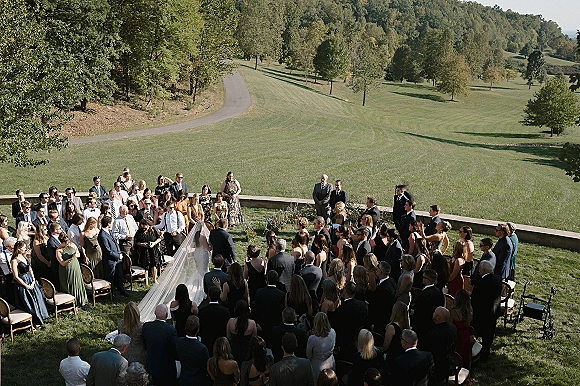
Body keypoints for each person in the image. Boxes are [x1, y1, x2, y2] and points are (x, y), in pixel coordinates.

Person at [470, 260, 502, 362]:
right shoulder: (498, 279)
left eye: (479, 269)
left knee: (475, 331)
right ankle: (485, 354)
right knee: (488, 335)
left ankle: (475, 353)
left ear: (483, 270)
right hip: (493, 312)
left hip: (480, 313)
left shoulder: (481, 284)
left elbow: (474, 300)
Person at [11, 240, 49, 325]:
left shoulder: (24, 257)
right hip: (23, 281)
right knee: (30, 302)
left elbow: (30, 268)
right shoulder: (14, 260)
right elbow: (16, 276)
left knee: (38, 297)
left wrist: (33, 279)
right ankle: (36, 320)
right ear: (19, 249)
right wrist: (26, 285)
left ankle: (42, 315)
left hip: (30, 279)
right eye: (24, 248)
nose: (26, 249)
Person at [329, 283, 367, 361]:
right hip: (357, 339)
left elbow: (334, 325)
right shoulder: (362, 305)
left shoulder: (340, 309)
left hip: (343, 341)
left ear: (345, 291)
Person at [142, 304, 178, 385]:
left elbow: (145, 345)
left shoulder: (146, 326)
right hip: (167, 368)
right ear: (166, 315)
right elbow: (174, 350)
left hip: (152, 365)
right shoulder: (170, 330)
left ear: (155, 313)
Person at [422, 307, 457, 384]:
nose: (433, 313)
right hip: (450, 364)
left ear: (438, 317)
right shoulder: (452, 327)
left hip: (438, 369)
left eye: (434, 312)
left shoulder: (434, 334)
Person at [175, 315, 210, 386]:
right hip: (198, 381)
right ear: (198, 330)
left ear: (185, 328)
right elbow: (206, 365)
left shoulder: (178, 342)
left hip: (184, 379)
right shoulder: (202, 348)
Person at [411, 269, 444, 344]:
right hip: (433, 324)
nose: (422, 279)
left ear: (428, 280)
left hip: (422, 325)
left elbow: (418, 312)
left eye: (423, 277)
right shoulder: (438, 292)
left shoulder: (423, 295)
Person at [253, 271, 286, 344]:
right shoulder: (281, 294)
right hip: (275, 325)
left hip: (262, 324)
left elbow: (256, 309)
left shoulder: (259, 292)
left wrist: (256, 321)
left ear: (267, 279)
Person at [56, 233, 88, 307]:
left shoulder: (72, 244)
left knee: (77, 282)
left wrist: (76, 255)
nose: (67, 244)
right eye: (66, 243)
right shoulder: (58, 250)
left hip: (75, 267)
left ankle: (80, 300)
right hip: (66, 270)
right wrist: (71, 258)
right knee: (69, 284)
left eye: (68, 242)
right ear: (62, 242)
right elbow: (62, 263)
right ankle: (71, 303)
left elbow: (78, 254)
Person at [199, 286, 231, 357]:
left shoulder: (202, 311)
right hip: (221, 344)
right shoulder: (225, 311)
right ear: (219, 295)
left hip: (207, 342)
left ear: (208, 296)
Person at [99, 216, 127, 297]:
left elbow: (115, 243)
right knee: (111, 277)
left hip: (117, 258)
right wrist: (117, 256)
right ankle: (112, 294)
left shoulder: (109, 232)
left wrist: (119, 253)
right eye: (111, 222)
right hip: (110, 260)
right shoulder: (102, 235)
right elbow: (107, 250)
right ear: (108, 224)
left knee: (119, 275)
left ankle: (122, 291)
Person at [367, 261, 396, 336]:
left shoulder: (383, 289)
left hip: (381, 320)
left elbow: (378, 307)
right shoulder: (391, 281)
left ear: (380, 272)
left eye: (378, 268)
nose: (376, 270)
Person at [227, 300, 258, 365]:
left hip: (234, 349)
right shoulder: (252, 323)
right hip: (247, 350)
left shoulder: (231, 322)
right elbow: (254, 338)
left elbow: (228, 336)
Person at [306, 312, 336, 380]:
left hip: (317, 366)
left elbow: (308, 355)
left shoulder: (312, 338)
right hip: (330, 363)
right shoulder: (333, 332)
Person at [449, 289, 473, 373]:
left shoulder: (454, 311)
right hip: (465, 334)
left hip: (457, 335)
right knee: (465, 353)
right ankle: (465, 370)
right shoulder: (469, 310)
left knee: (457, 353)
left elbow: (450, 324)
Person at [383, 301, 410, 372]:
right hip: (402, 356)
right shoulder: (407, 326)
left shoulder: (391, 327)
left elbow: (385, 346)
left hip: (392, 357)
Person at [133, 219, 161, 283]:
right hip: (144, 251)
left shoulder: (153, 230)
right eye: (142, 226)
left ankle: (155, 279)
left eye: (145, 227)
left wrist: (154, 243)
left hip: (153, 250)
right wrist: (142, 244)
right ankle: (146, 281)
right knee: (146, 265)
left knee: (154, 264)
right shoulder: (139, 232)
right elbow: (136, 242)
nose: (144, 228)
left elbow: (159, 238)